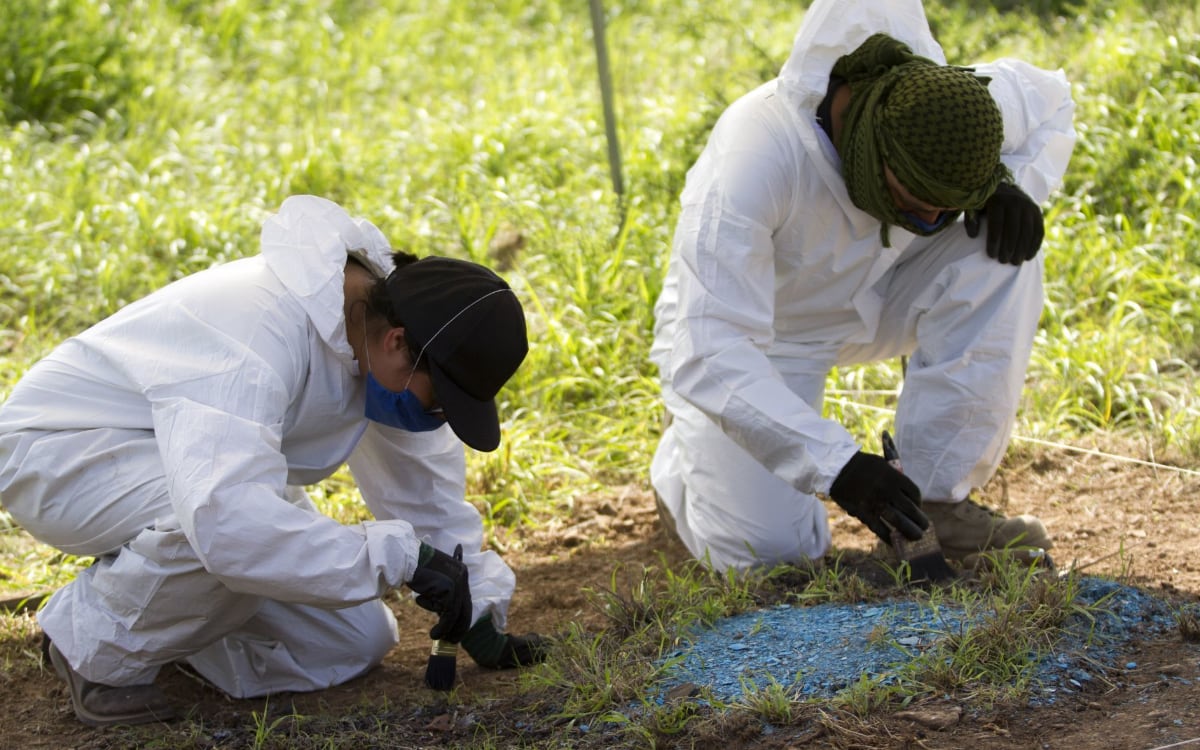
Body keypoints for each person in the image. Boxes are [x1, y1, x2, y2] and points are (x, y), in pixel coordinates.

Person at [0, 195, 546, 727]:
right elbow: (228, 522)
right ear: (398, 342)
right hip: (62, 452)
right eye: (440, 400)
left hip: (191, 456)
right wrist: (399, 556)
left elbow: (425, 495)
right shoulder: (260, 329)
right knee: (224, 537)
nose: (437, 417)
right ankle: (93, 644)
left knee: (353, 640)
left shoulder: (377, 332)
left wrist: (475, 604)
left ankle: (158, 617)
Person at [650, 0, 1076, 572]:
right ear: (868, 147)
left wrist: (1005, 182)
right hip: (763, 337)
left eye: (944, 211)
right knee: (771, 559)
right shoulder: (757, 153)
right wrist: (839, 467)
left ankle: (936, 501)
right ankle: (682, 462)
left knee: (1002, 253)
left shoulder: (961, 108)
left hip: (878, 293)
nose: (931, 222)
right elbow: (712, 348)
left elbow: (1053, 100)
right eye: (915, 204)